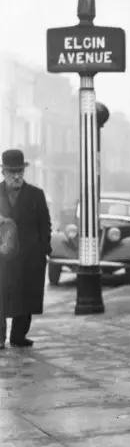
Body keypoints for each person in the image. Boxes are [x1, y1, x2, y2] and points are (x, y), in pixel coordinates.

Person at [0, 149, 51, 349]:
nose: (16, 175)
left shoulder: (36, 195)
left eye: (20, 171)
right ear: (3, 172)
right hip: (3, 259)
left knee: (26, 297)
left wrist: (43, 249)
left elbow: (45, 224)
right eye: (12, 171)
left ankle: (18, 336)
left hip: (29, 258)